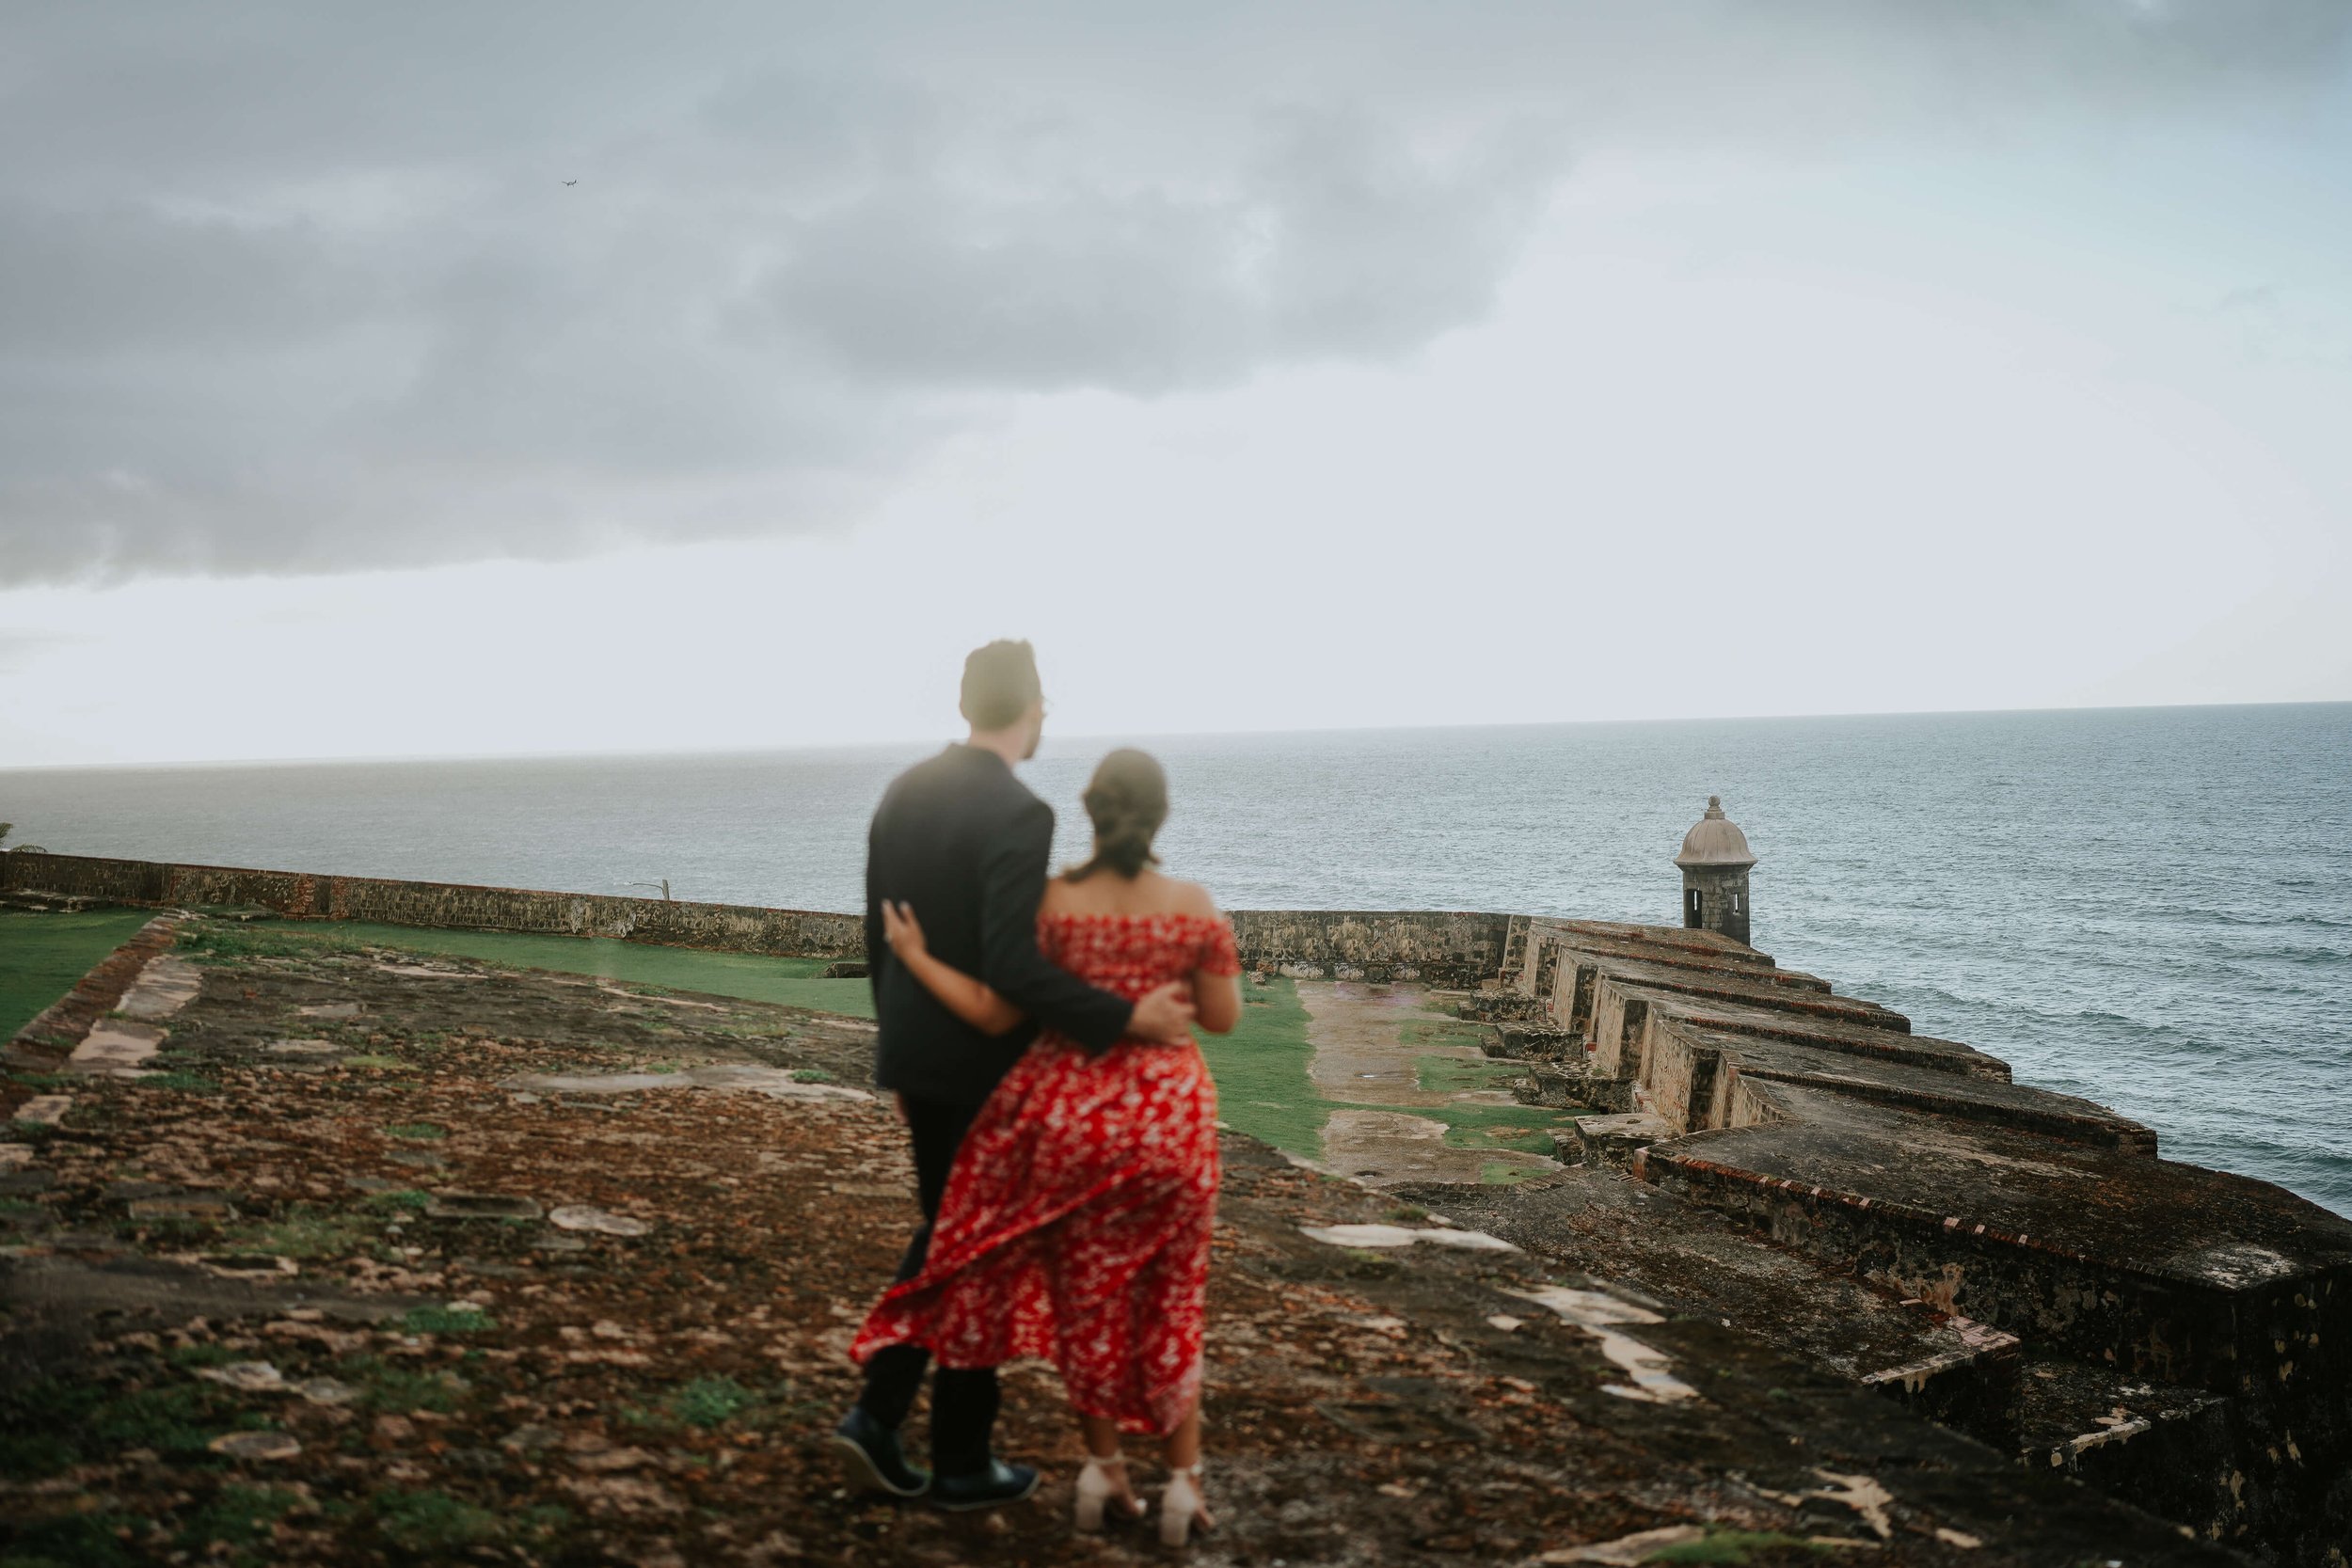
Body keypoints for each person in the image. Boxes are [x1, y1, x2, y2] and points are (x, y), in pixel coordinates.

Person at [830, 641, 1198, 1513]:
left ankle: (938, 1443)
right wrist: (1127, 1016)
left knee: (960, 1243)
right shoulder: (1019, 812)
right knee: (968, 1247)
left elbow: (880, 937)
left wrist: (898, 1051)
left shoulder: (903, 790)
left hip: (917, 1055)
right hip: (980, 1069)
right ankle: (900, 1427)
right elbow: (1012, 968)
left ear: (967, 702)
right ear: (1033, 707)